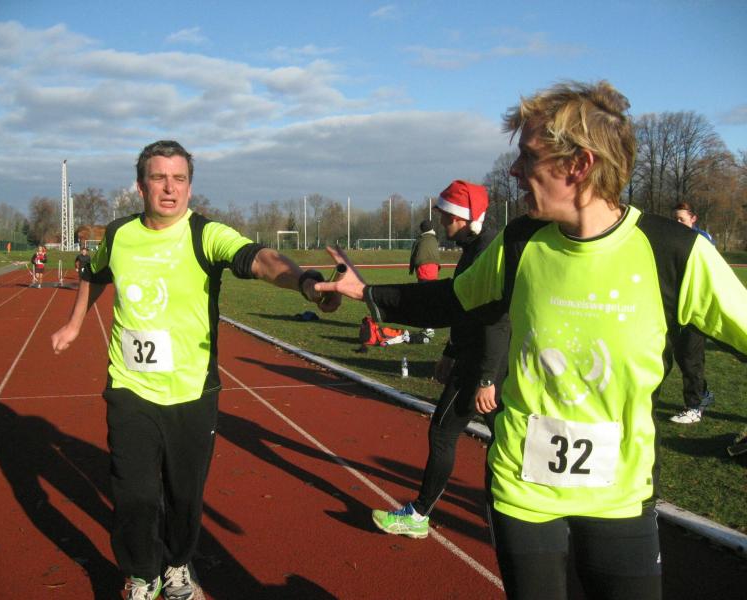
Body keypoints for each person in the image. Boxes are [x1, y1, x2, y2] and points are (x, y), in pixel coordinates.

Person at [317, 81, 747, 599]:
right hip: (523, 491)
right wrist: (366, 291)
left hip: (621, 496)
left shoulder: (674, 252)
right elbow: (456, 300)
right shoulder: (520, 243)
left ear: (579, 165)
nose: (514, 172)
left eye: (528, 156)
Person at [51, 140, 340, 600]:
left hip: (192, 392)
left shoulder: (206, 235)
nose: (169, 188)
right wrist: (73, 324)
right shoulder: (119, 234)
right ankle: (142, 575)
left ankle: (177, 566)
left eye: (179, 179)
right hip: (131, 386)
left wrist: (307, 282)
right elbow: (94, 273)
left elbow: (261, 259)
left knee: (184, 496)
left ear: (189, 186)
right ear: (141, 185)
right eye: (159, 178)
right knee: (133, 494)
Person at [372, 180, 510, 539]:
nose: (442, 222)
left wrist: (486, 378)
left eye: (447, 215)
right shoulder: (476, 246)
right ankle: (516, 518)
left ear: (464, 217)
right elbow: (463, 310)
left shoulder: (486, 250)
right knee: (506, 441)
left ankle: (420, 514)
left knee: (444, 432)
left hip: (482, 363)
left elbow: (497, 320)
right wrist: (449, 351)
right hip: (476, 358)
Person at [669, 202, 715, 424]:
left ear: (693, 218)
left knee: (690, 357)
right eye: (675, 219)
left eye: (682, 219)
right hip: (676, 308)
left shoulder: (701, 239)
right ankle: (703, 394)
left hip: (696, 309)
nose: (677, 223)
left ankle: (694, 407)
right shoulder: (673, 238)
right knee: (682, 356)